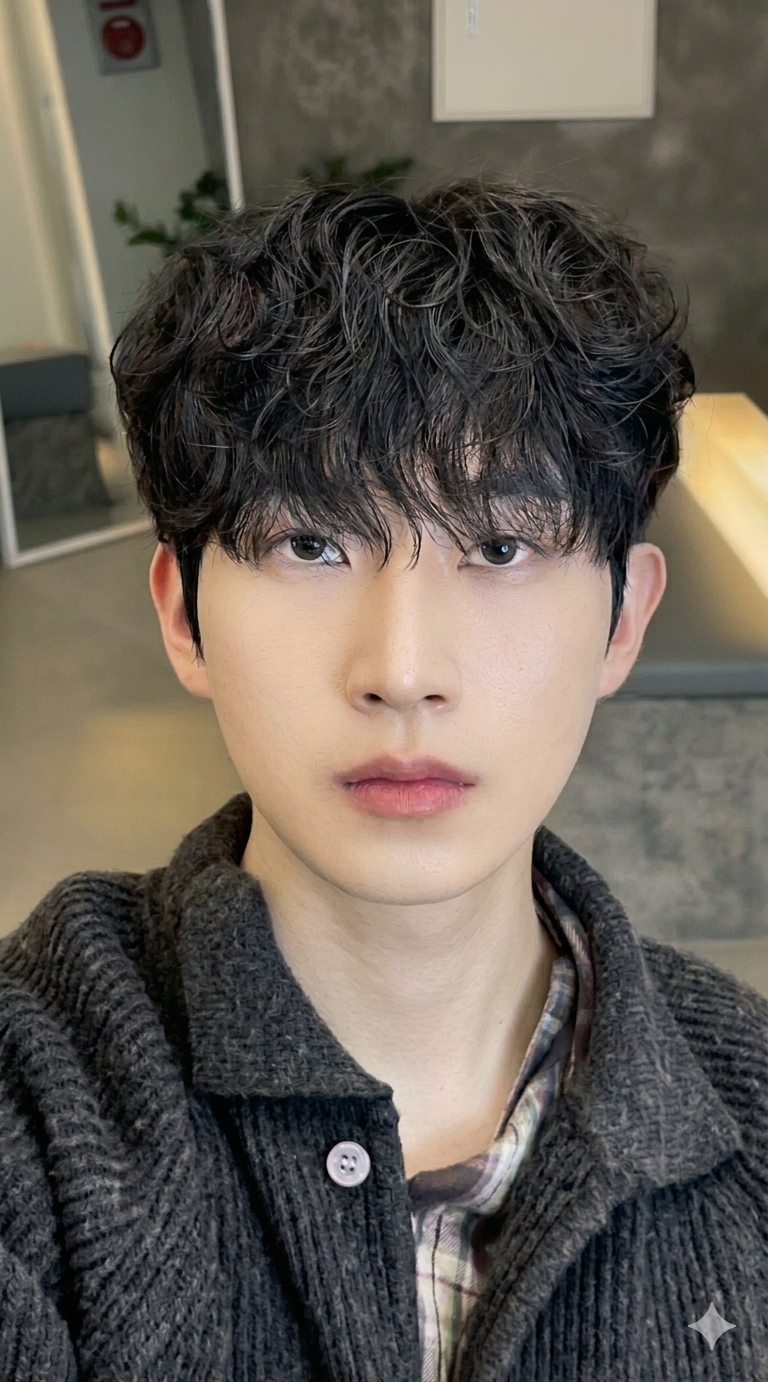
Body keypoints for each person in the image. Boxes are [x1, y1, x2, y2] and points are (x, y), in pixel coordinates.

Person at [0, 182, 764, 1382]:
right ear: (183, 615)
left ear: (624, 622)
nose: (403, 670)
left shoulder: (750, 1101)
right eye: (310, 542)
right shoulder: (38, 1086)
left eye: (501, 546)